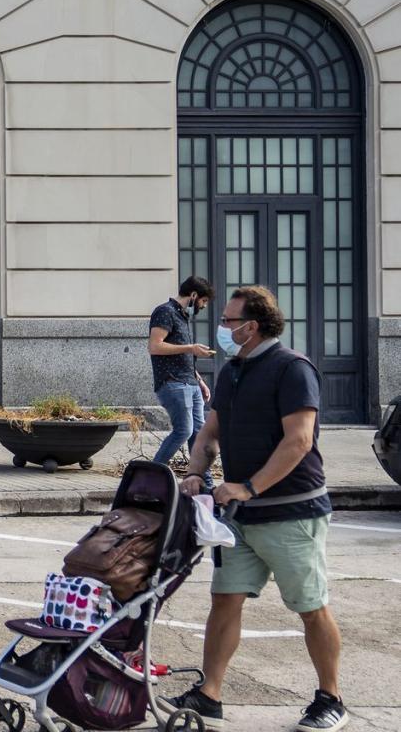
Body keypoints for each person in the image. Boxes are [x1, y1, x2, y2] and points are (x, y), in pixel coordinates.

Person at [164, 286, 349, 732]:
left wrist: (248, 487)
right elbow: (210, 434)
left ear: (254, 325)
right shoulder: (232, 372)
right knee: (224, 600)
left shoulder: (292, 369)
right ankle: (209, 695)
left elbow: (299, 441)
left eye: (229, 322)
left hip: (292, 512)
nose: (223, 329)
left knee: (310, 606)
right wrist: (194, 472)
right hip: (241, 518)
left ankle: (331, 698)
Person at [149, 276, 216, 481]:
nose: (203, 306)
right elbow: (155, 346)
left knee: (198, 435)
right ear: (194, 295)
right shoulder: (165, 312)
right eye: (203, 301)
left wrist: (200, 381)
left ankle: (206, 484)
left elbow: (183, 357)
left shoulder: (183, 317)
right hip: (173, 383)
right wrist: (191, 347)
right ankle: (149, 476)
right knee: (184, 430)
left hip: (190, 383)